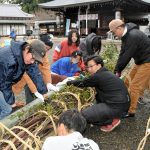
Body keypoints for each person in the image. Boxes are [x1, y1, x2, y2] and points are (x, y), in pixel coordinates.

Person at [67, 55, 130, 132]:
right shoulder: (106, 73)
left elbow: (82, 83)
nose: (89, 69)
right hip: (123, 104)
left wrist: (69, 82)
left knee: (84, 115)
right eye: (88, 67)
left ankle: (111, 121)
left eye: (91, 66)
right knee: (98, 99)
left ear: (99, 65)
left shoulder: (98, 76)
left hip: (116, 106)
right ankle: (110, 116)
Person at [108, 19, 150, 118]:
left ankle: (131, 111)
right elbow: (122, 53)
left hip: (148, 61)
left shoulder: (132, 36)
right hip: (140, 61)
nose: (114, 35)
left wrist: (119, 70)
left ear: (119, 28)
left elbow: (127, 56)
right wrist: (116, 70)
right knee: (127, 81)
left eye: (114, 32)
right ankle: (124, 101)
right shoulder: (125, 36)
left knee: (134, 86)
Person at [0, 39, 47, 119]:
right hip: (2, 83)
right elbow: (5, 85)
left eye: (35, 60)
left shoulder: (24, 56)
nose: (33, 62)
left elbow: (35, 72)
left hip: (3, 82)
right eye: (33, 58)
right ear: (27, 49)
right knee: (6, 109)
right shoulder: (9, 61)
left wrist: (44, 91)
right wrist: (11, 103)